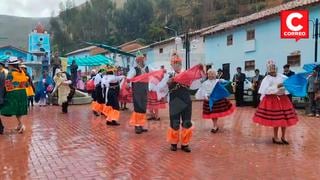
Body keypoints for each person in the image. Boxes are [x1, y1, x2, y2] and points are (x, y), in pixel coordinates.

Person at [253, 60, 298, 145]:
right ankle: (275, 136)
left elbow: (288, 84)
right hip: (273, 100)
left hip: (283, 99)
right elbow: (266, 90)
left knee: (285, 118)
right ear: (268, 69)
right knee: (277, 119)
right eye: (271, 68)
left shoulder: (282, 76)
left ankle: (283, 136)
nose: (273, 69)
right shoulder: (267, 79)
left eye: (274, 67)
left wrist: (284, 86)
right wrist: (277, 86)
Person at [158, 53, 194, 152]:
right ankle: (173, 143)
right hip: (174, 101)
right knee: (174, 122)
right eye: (174, 64)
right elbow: (160, 88)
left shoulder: (186, 73)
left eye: (178, 63)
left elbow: (194, 84)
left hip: (186, 100)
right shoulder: (168, 75)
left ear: (181, 64)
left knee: (187, 122)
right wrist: (167, 82)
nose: (176, 65)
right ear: (172, 65)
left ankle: (185, 144)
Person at [195, 69, 235, 133]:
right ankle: (215, 125)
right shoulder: (205, 83)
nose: (211, 75)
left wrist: (224, 81)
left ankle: (215, 125)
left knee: (215, 114)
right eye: (210, 74)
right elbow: (203, 90)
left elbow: (226, 83)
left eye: (213, 74)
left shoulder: (218, 81)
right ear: (208, 75)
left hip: (218, 100)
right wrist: (205, 96)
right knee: (213, 114)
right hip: (209, 99)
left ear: (215, 75)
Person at [1, 57, 29, 133]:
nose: (8, 66)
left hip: (14, 93)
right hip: (22, 93)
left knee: (6, 108)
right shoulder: (22, 72)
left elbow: (7, 86)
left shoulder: (11, 73)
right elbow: (26, 83)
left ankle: (22, 125)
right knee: (19, 111)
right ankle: (20, 125)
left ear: (11, 65)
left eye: (9, 65)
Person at [127, 52, 150, 134]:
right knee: (138, 108)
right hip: (137, 91)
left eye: (142, 59)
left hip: (144, 91)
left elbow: (155, 72)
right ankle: (137, 126)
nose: (141, 61)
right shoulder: (134, 69)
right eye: (139, 60)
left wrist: (162, 71)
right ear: (137, 61)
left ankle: (141, 125)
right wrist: (128, 84)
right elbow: (129, 78)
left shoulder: (147, 68)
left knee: (143, 108)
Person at [0, 61, 8, 134]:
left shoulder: (5, 72)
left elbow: (8, 84)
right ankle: (1, 127)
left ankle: (1, 127)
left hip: (2, 93)